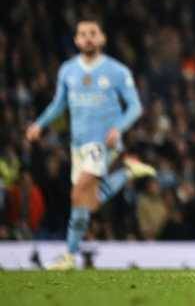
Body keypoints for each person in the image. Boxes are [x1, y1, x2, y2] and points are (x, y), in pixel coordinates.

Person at [25, 19, 156, 270]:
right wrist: (40, 124)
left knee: (79, 192)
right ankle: (70, 256)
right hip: (78, 145)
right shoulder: (67, 70)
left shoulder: (117, 71)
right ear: (76, 40)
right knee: (87, 204)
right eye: (82, 34)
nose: (87, 38)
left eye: (93, 33)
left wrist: (118, 128)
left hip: (103, 142)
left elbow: (136, 106)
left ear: (102, 39)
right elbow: (58, 103)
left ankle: (69, 256)